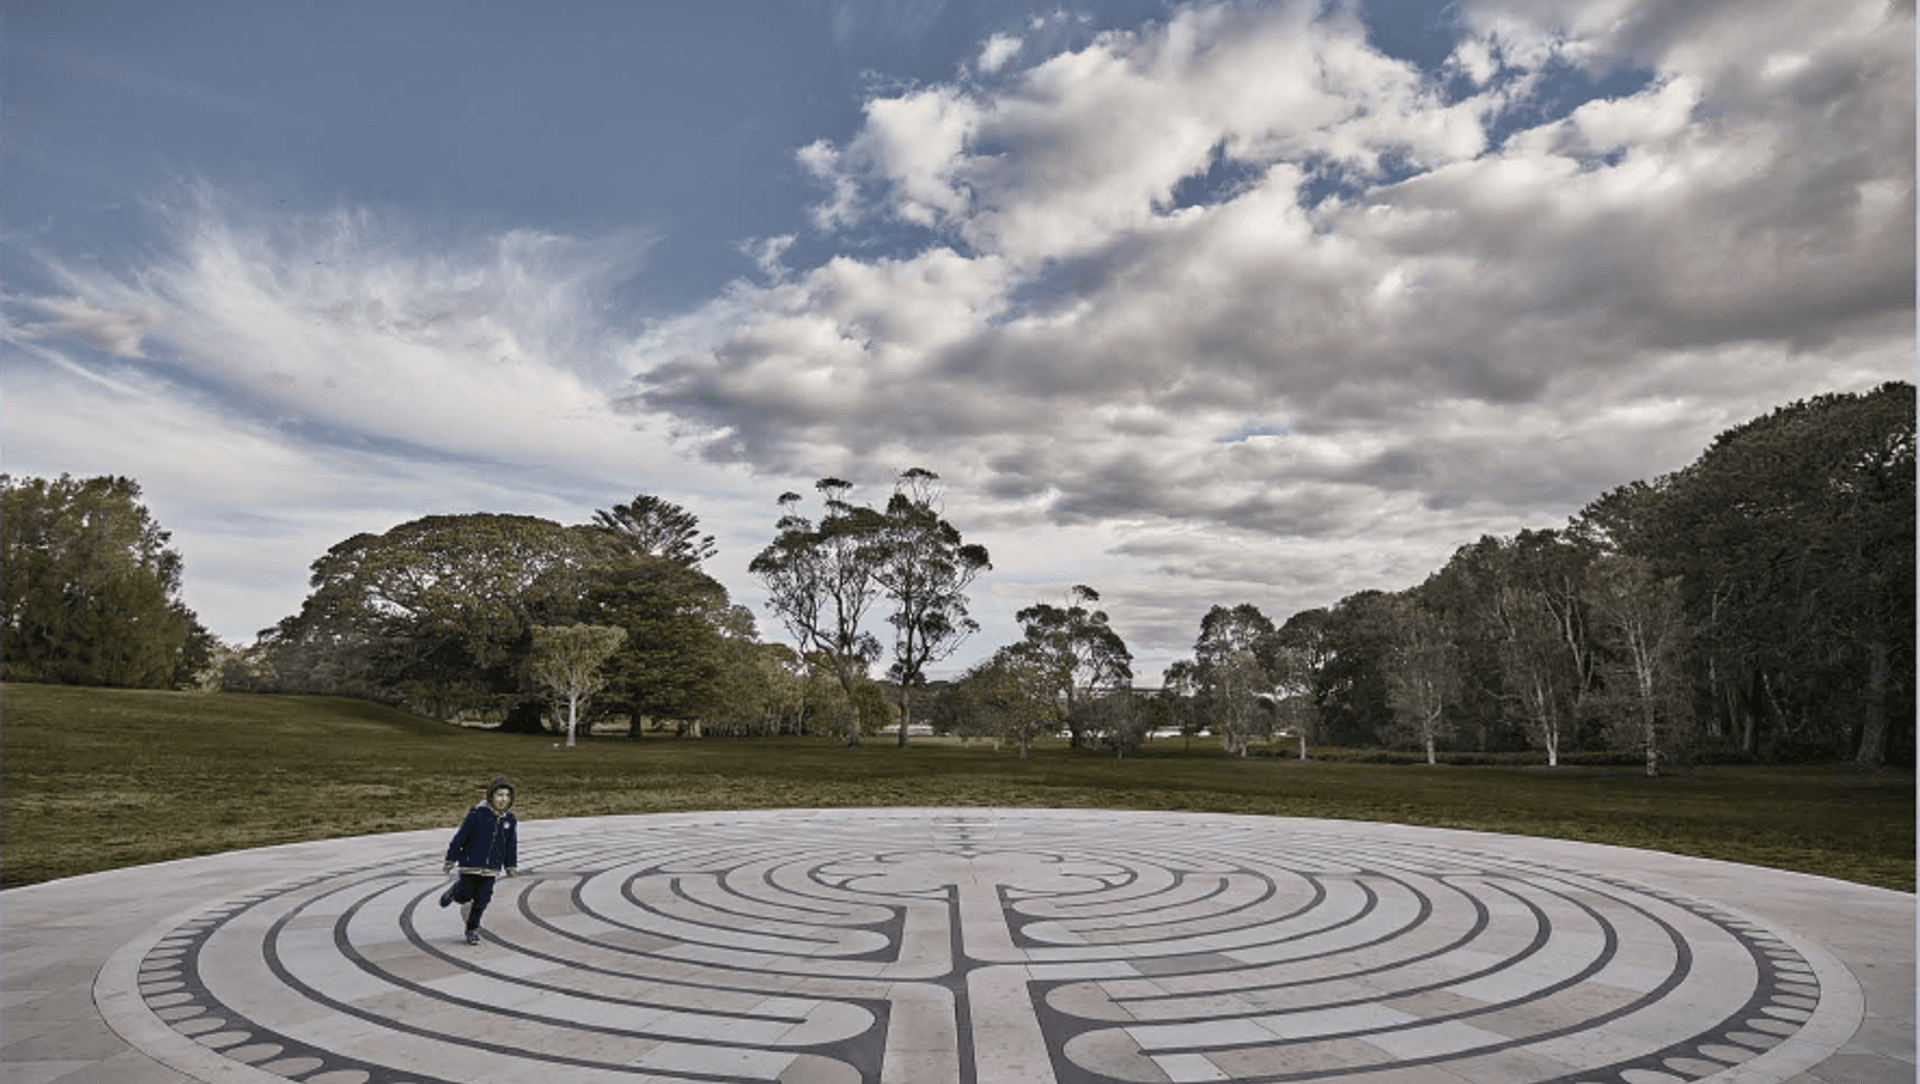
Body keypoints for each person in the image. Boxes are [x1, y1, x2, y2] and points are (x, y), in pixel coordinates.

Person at [439, 775, 518, 945]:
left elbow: (511, 844)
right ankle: (454, 892)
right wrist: (450, 859)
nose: (503, 799)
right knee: (464, 895)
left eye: (506, 795)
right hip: (470, 865)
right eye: (499, 795)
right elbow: (460, 838)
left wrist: (510, 864)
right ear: (490, 796)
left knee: (482, 900)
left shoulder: (510, 819)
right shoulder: (476, 814)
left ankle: (471, 929)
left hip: (492, 869)